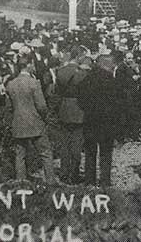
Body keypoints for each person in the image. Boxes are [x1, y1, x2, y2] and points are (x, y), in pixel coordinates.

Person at [5, 58, 56, 184]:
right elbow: (42, 106)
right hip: (35, 122)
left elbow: (9, 107)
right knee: (45, 152)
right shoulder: (34, 83)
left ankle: (21, 181)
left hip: (18, 122)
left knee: (20, 154)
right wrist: (44, 118)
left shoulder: (10, 84)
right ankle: (50, 181)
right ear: (28, 65)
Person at [77, 54, 120, 187]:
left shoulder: (87, 78)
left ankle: (90, 180)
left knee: (90, 152)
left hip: (90, 120)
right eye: (112, 64)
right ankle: (105, 181)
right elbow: (117, 103)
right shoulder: (111, 81)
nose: (114, 67)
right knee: (106, 153)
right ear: (106, 64)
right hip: (107, 122)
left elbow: (81, 100)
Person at [52, 46, 88, 184]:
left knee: (64, 144)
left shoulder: (60, 72)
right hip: (78, 109)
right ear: (79, 56)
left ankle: (64, 172)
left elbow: (56, 91)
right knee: (77, 143)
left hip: (64, 109)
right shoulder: (82, 73)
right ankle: (74, 174)